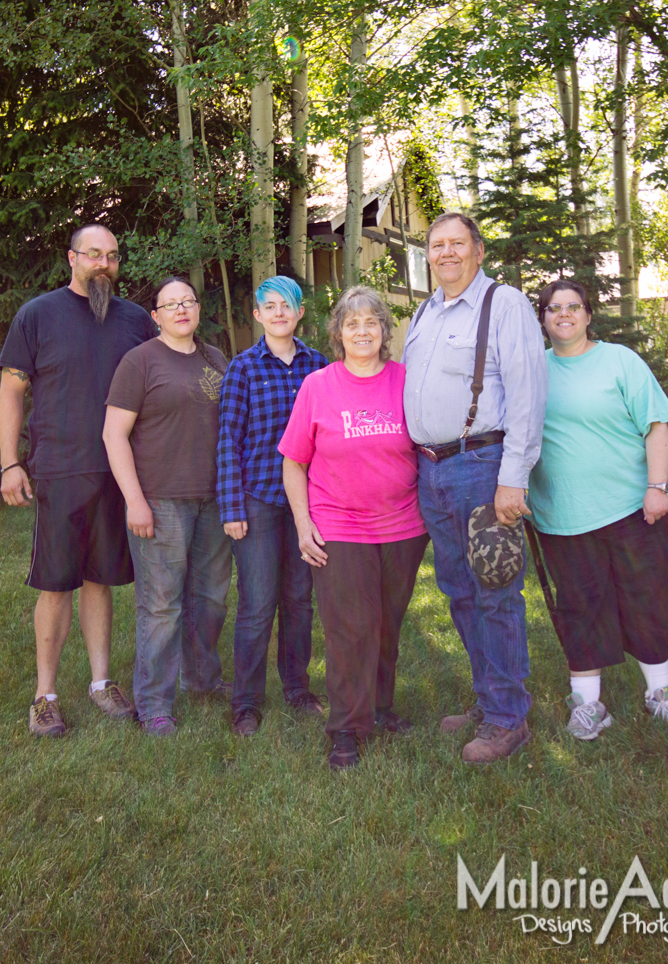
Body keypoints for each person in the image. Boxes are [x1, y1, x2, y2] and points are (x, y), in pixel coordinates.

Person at [0, 223, 156, 737]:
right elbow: (11, 395)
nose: (104, 264)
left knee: (101, 578)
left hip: (119, 470)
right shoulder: (37, 315)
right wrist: (9, 462)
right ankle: (44, 695)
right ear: (72, 258)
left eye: (112, 255)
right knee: (55, 582)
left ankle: (100, 682)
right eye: (94, 255)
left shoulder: (135, 321)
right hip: (60, 468)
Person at [402, 212, 548, 765]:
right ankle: (490, 700)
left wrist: (514, 476)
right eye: (436, 245)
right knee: (459, 591)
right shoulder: (424, 311)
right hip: (433, 470)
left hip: (483, 466)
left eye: (456, 244)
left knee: (495, 592)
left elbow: (529, 393)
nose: (445, 253)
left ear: (478, 251)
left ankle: (509, 718)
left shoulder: (502, 304)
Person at [528, 279, 668, 739]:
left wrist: (657, 487)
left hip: (631, 507)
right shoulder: (532, 370)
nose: (563, 314)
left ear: (588, 315)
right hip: (561, 515)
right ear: (542, 318)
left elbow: (656, 427)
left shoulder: (620, 360)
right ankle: (588, 705)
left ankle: (660, 694)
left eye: (573, 306)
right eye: (552, 308)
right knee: (580, 606)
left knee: (645, 597)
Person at [280, 286, 428, 771]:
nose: (362, 331)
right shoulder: (318, 386)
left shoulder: (407, 380)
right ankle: (346, 728)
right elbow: (294, 463)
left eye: (371, 323)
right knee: (350, 630)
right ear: (338, 333)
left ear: (385, 331)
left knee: (386, 626)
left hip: (403, 526)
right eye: (351, 323)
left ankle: (381, 709)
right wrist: (303, 526)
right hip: (339, 527)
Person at [103, 278, 231, 736]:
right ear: (155, 315)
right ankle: (155, 702)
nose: (181, 310)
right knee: (161, 605)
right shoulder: (139, 362)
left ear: (198, 309)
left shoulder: (216, 358)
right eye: (170, 304)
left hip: (215, 500)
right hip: (160, 501)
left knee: (212, 597)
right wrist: (134, 500)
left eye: (188, 302)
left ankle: (201, 679)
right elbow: (113, 434)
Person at [217, 276, 328, 736]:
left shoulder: (318, 367)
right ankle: (246, 702)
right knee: (258, 604)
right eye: (270, 306)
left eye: (288, 305)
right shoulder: (243, 368)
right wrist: (231, 507)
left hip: (307, 504)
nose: (279, 312)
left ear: (301, 313)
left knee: (299, 601)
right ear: (258, 315)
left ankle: (297, 689)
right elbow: (227, 439)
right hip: (258, 499)